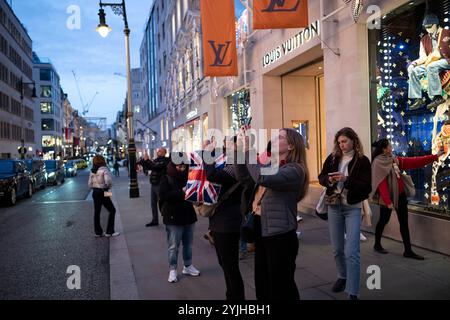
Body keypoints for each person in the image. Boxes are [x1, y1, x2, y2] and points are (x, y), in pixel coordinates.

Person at [236, 127, 309, 300]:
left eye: (280, 137)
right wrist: (239, 150)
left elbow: (262, 177)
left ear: (291, 146)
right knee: (262, 283)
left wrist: (248, 149)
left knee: (281, 287)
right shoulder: (271, 164)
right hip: (263, 230)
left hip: (280, 235)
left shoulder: (295, 170)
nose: (273, 139)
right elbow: (245, 177)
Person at [318, 127, 372, 300]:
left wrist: (346, 179)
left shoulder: (362, 161)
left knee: (352, 252)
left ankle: (352, 292)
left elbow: (366, 186)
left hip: (353, 208)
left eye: (345, 141)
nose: (341, 145)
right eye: (339, 142)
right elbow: (321, 176)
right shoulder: (333, 158)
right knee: (337, 249)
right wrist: (329, 179)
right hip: (334, 206)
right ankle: (342, 276)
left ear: (353, 141)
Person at [370, 138, 443, 260]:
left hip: (401, 195)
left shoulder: (394, 159)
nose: (391, 147)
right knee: (384, 220)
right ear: (384, 149)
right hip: (388, 197)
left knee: (404, 222)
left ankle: (408, 250)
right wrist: (388, 202)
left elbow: (414, 162)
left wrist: (435, 156)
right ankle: (377, 244)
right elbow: (381, 184)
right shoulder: (378, 162)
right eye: (390, 145)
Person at [204, 136, 245, 300]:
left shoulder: (236, 164)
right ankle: (231, 296)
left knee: (230, 266)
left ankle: (236, 300)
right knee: (225, 264)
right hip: (220, 219)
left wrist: (207, 156)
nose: (225, 145)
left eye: (229, 143)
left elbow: (212, 175)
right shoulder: (228, 161)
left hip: (228, 221)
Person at [158, 157, 200, 283]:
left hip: (188, 215)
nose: (182, 169)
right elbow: (164, 196)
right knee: (173, 246)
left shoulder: (190, 176)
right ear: (173, 166)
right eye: (179, 166)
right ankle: (173, 269)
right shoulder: (166, 178)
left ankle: (187, 266)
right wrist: (181, 192)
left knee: (188, 244)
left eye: (184, 166)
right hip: (173, 217)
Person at [408, 14, 450, 110]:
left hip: (447, 60)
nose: (428, 29)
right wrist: (413, 64)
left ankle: (437, 96)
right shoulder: (424, 40)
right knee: (413, 71)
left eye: (430, 27)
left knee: (431, 66)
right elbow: (423, 57)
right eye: (426, 27)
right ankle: (418, 98)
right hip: (432, 62)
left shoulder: (447, 33)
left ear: (436, 24)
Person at [88, 155, 119, 238]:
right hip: (103, 191)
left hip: (95, 192)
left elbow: (89, 184)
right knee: (112, 210)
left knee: (97, 212)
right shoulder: (104, 169)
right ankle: (110, 231)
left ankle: (98, 232)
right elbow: (108, 181)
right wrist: (109, 186)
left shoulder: (92, 170)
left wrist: (95, 187)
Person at [140, 148, 170, 227]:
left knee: (162, 203)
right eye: (158, 151)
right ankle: (154, 220)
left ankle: (167, 219)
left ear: (164, 153)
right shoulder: (156, 160)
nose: (158, 152)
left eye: (160, 151)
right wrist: (144, 160)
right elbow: (149, 166)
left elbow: (155, 167)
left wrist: (147, 160)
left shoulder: (165, 161)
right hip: (153, 184)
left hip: (160, 184)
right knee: (153, 203)